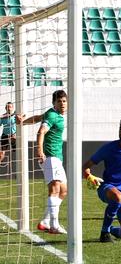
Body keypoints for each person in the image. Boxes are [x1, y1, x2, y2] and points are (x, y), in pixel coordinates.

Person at [19, 90, 68, 234]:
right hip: (50, 156)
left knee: (63, 191)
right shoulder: (53, 115)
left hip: (57, 157)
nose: (62, 104)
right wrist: (39, 149)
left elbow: (37, 117)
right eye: (59, 101)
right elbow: (41, 131)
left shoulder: (52, 114)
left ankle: (46, 221)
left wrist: (23, 122)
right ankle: (54, 225)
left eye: (64, 101)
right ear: (54, 103)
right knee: (55, 189)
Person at [0, 102, 22, 167]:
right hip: (5, 135)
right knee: (1, 153)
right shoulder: (3, 117)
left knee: (16, 149)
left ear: (12, 108)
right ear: (5, 108)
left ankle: (15, 149)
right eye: (7, 107)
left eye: (10, 107)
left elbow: (23, 116)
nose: (8, 108)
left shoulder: (15, 116)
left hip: (14, 135)